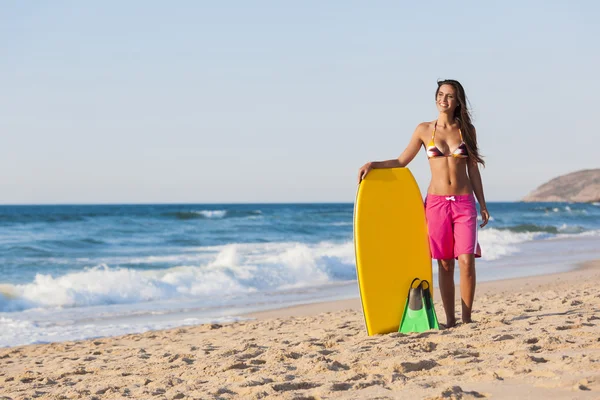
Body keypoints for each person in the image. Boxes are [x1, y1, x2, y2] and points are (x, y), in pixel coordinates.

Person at [357, 79, 490, 328]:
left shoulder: (466, 130)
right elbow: (401, 160)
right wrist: (373, 164)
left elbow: (473, 170)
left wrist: (482, 204)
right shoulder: (424, 129)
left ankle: (467, 318)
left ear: (457, 101)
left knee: (466, 260)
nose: (444, 100)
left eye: (450, 96)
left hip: (464, 202)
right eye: (441, 94)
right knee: (445, 263)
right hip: (436, 203)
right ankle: (450, 321)